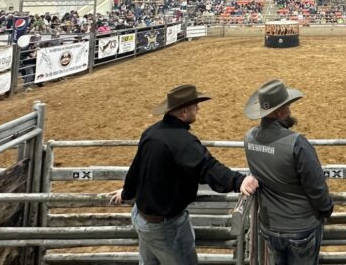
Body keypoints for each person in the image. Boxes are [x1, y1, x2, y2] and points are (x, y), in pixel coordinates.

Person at [109, 85, 259, 265]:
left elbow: (136, 168)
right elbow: (207, 167)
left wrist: (126, 192)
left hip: (142, 217)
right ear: (183, 112)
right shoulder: (183, 141)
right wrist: (239, 180)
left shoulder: (151, 132)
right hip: (165, 226)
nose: (198, 108)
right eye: (195, 106)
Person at [243, 79, 333, 265]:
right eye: (287, 106)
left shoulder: (249, 138)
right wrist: (326, 209)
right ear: (278, 111)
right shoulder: (297, 143)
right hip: (300, 225)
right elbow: (316, 187)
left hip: (270, 225)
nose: (290, 110)